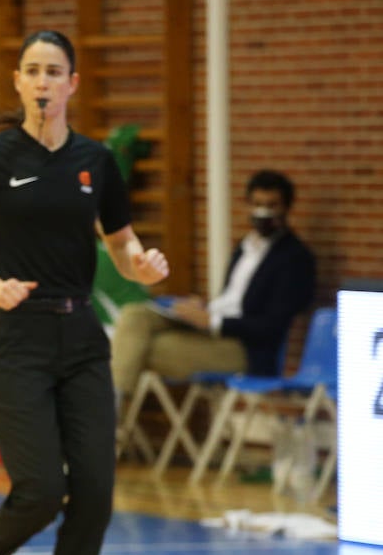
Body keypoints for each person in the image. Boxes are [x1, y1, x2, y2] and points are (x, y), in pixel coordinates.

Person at [0, 30, 169, 555]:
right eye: (33, 70)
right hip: (15, 338)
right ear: (18, 81)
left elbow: (122, 244)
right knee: (41, 489)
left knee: (95, 492)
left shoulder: (95, 159)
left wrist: (143, 265)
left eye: (55, 72)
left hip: (81, 338)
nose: (43, 82)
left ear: (73, 84)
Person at [110, 169, 316, 401]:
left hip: (245, 349)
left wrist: (214, 321)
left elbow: (272, 327)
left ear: (286, 208)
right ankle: (110, 417)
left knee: (139, 348)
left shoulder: (295, 258)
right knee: (134, 315)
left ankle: (108, 418)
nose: (263, 212)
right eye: (257, 204)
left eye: (271, 205)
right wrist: (204, 307)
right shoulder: (244, 247)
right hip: (209, 328)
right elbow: (234, 300)